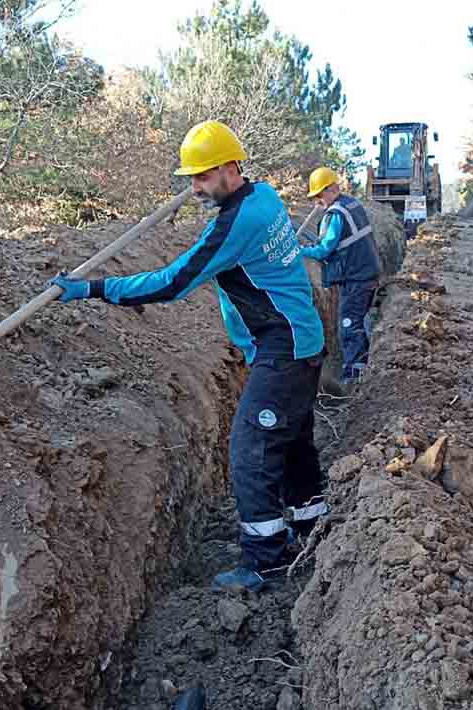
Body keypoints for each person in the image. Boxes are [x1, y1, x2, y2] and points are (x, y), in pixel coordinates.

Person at [48, 120, 329, 592]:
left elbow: (173, 282)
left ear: (229, 168)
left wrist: (92, 289)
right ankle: (311, 527)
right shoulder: (263, 197)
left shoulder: (238, 223)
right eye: (190, 179)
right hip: (300, 340)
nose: (194, 188)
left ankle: (265, 561)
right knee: (293, 442)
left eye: (201, 177)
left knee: (250, 450)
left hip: (284, 349)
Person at [299, 167, 381, 385]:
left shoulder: (336, 214)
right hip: (367, 272)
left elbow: (324, 250)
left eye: (318, 195)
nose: (317, 200)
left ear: (329, 190)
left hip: (356, 278)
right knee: (359, 320)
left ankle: (353, 376)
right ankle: (361, 365)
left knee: (349, 324)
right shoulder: (351, 204)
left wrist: (299, 251)